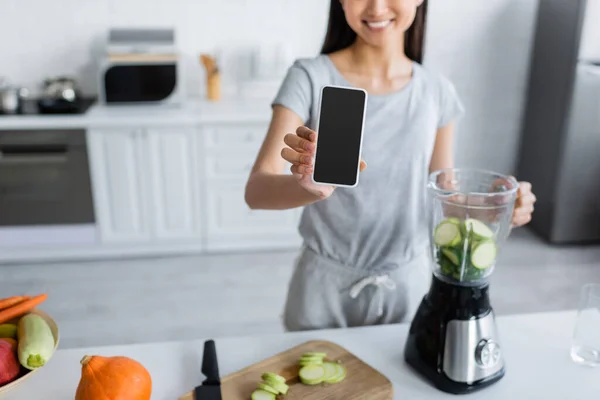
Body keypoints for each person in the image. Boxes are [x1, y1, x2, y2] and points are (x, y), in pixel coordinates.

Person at [245, 0, 536, 331]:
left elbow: (447, 202)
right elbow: (257, 191)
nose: (377, 7)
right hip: (321, 288)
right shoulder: (309, 77)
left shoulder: (437, 92)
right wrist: (306, 187)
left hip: (407, 288)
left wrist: (497, 209)